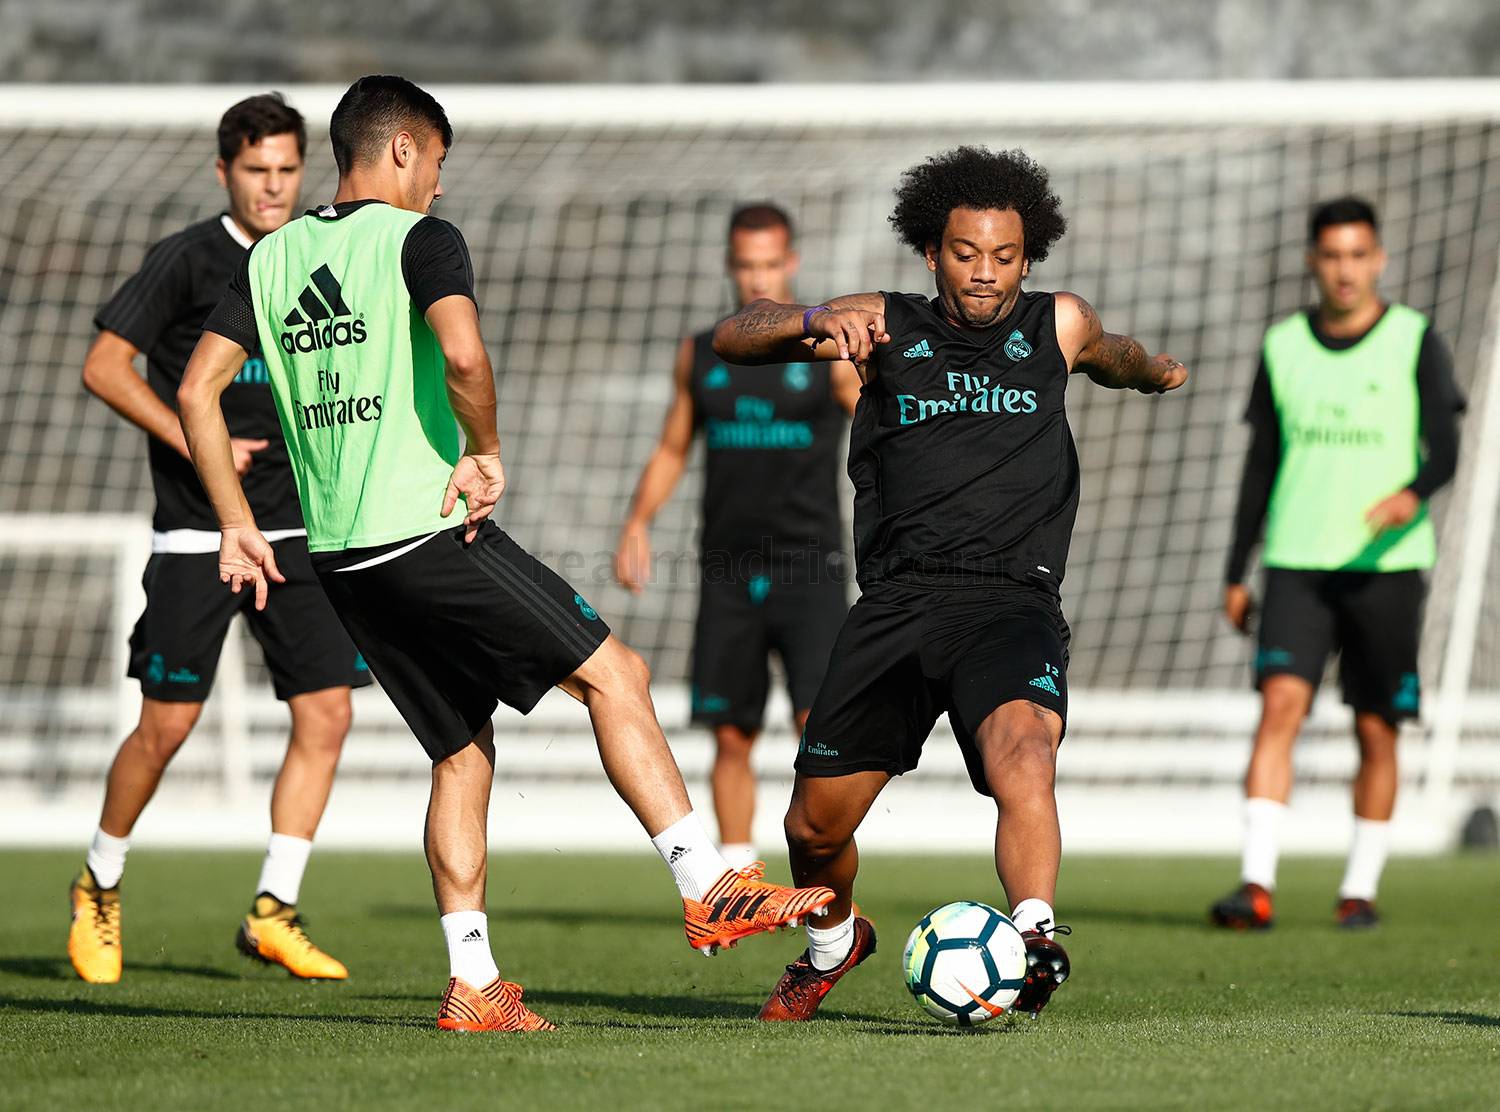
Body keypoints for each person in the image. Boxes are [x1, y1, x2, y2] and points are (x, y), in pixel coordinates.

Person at [176, 74, 835, 1033]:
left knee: (460, 749)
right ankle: (708, 883)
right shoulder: (420, 239)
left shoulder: (271, 257)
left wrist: (236, 520)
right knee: (617, 673)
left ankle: (474, 980)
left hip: (340, 557)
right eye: (438, 161)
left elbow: (198, 392)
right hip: (425, 529)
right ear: (402, 149)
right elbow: (466, 357)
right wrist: (485, 452)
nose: (441, 184)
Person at [712, 145, 1187, 1020]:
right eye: (966, 253)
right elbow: (733, 337)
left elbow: (1115, 352)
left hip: (1011, 601)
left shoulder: (1059, 325)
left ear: (1027, 256)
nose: (985, 273)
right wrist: (815, 318)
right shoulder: (883, 322)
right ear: (932, 252)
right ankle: (833, 941)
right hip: (897, 603)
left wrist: (1151, 371)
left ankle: (1036, 936)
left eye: (1005, 256)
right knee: (812, 830)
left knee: (1024, 755)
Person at [69, 93, 365, 986]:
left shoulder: (316, 252)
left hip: (300, 532)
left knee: (329, 714)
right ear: (222, 172)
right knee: (166, 728)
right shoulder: (188, 260)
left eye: (286, 171)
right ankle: (100, 883)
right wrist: (196, 440)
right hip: (202, 534)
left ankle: (273, 908)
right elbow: (103, 367)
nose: (273, 189)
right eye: (255, 172)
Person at [1212, 196, 1464, 931]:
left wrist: (1412, 493)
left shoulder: (1416, 339)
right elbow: (1262, 462)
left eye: (1359, 254)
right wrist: (1236, 568)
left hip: (1387, 567)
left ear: (1378, 258)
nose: (1345, 269)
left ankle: (1359, 889)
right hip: (1296, 560)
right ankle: (1255, 884)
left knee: (1376, 728)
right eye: (1332, 255)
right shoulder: (1283, 345)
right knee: (1279, 708)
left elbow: (1446, 446)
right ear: (1311, 261)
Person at [615, 203, 859, 870]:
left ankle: (823, 867)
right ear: (731, 265)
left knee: (821, 734)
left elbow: (877, 425)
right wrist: (638, 521)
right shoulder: (702, 352)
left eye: (770, 264)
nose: (758, 279)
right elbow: (672, 448)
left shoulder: (824, 348)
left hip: (811, 568)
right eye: (746, 265)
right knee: (731, 735)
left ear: (792, 263)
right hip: (727, 571)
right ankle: (743, 873)